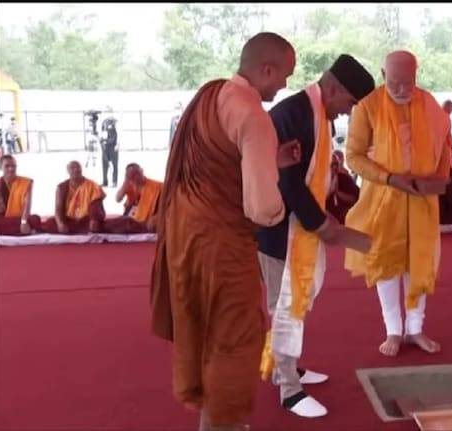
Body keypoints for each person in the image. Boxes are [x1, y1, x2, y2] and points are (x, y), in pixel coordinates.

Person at [149, 32, 301, 431]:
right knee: (235, 336)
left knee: (200, 324)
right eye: (284, 75)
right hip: (222, 243)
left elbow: (222, 161)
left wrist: (271, 159)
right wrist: (290, 202)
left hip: (186, 235)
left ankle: (213, 419)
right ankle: (223, 424)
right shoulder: (254, 115)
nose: (285, 85)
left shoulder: (214, 95)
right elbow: (262, 208)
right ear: (266, 70)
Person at [256, 54, 375, 418]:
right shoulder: (294, 113)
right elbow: (286, 180)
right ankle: (289, 390)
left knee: (296, 301)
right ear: (333, 87)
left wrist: (326, 220)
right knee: (286, 306)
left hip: (299, 227)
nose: (347, 112)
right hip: (280, 231)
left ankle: (286, 368)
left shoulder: (314, 113)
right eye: (349, 104)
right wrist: (321, 224)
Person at [344, 50, 452, 357]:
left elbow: (444, 143)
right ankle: (393, 330)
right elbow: (353, 156)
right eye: (396, 82)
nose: (404, 89)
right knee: (387, 264)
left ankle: (415, 328)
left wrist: (440, 178)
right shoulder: (367, 107)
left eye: (409, 82)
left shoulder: (429, 103)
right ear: (382, 74)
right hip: (384, 199)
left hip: (421, 199)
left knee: (419, 260)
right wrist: (389, 178)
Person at [43, 160, 106, 234]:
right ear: (68, 171)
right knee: (50, 223)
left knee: (103, 224)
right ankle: (76, 229)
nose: (76, 169)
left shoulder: (92, 185)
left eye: (78, 167)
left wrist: (94, 220)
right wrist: (60, 223)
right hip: (69, 220)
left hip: (87, 219)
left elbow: (96, 206)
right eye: (72, 168)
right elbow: (58, 208)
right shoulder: (62, 187)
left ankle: (88, 228)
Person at [104, 163, 163, 234]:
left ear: (142, 171)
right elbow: (118, 199)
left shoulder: (158, 186)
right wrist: (125, 182)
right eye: (133, 176)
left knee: (150, 224)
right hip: (130, 218)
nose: (137, 177)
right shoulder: (129, 185)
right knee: (102, 225)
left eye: (138, 173)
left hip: (146, 220)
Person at [0, 155, 42, 235]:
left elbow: (27, 205)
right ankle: (19, 231)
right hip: (2, 218)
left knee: (35, 219)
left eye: (13, 166)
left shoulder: (26, 182)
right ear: (0, 167)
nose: (11, 169)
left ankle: (6, 231)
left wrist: (24, 222)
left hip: (19, 218)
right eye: (7, 166)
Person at [326, 151, 360, 224]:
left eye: (336, 164)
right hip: (332, 222)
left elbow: (354, 199)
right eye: (332, 165)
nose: (335, 167)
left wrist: (337, 192)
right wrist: (330, 192)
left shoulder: (344, 178)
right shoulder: (320, 183)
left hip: (351, 216)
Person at [100, 106, 119, 187]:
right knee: (104, 164)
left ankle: (114, 181)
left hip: (113, 145)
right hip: (105, 145)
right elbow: (102, 132)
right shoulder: (104, 122)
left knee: (114, 164)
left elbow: (120, 133)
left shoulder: (116, 122)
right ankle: (105, 181)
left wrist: (118, 144)